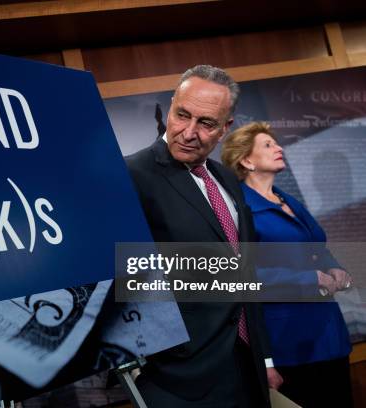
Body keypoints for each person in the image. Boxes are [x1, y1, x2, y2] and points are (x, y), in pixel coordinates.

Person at [126, 65, 279, 407]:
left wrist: (264, 356)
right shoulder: (129, 176)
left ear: (225, 128)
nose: (188, 132)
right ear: (171, 106)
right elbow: (122, 277)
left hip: (247, 366)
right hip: (179, 379)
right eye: (182, 115)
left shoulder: (226, 180)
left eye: (206, 123)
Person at [221, 122, 353, 407]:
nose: (279, 148)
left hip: (329, 333)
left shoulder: (287, 199)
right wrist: (309, 279)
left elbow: (315, 247)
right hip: (288, 343)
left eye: (276, 143)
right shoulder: (239, 210)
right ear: (246, 160)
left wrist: (334, 268)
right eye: (267, 145)